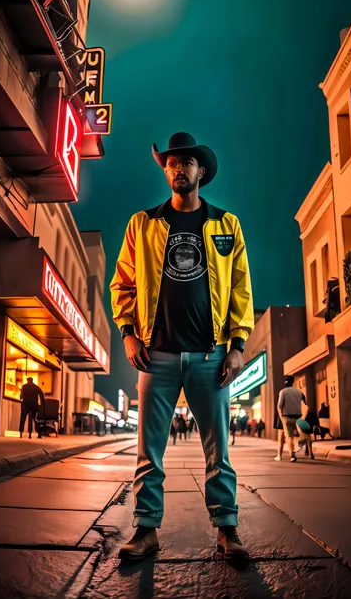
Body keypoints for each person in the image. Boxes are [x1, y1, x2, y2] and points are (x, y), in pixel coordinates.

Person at [111, 132, 254, 562]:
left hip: (212, 356)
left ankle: (227, 530)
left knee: (218, 450)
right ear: (166, 170)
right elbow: (124, 283)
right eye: (172, 162)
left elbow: (241, 288)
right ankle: (146, 529)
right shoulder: (144, 223)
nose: (178, 168)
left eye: (186, 162)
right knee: (148, 450)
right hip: (156, 356)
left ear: (201, 171)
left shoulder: (226, 225)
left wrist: (238, 344)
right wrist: (128, 333)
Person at [276, 375, 307, 462]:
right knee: (296, 435)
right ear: (293, 382)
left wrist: (281, 417)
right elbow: (305, 404)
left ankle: (292, 455)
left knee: (289, 436)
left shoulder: (283, 392)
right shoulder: (299, 392)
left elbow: (279, 406)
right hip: (298, 417)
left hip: (287, 417)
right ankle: (303, 446)